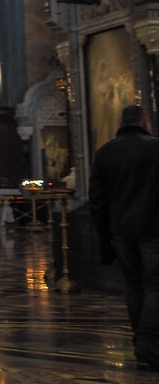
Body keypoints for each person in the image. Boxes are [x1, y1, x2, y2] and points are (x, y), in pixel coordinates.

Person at [89, 105, 159, 369]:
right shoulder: (154, 148)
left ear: (121, 122)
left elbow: (96, 200)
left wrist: (103, 236)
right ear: (144, 121)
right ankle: (148, 343)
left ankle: (140, 340)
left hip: (121, 231)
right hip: (153, 228)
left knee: (134, 286)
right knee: (155, 285)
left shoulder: (105, 152)